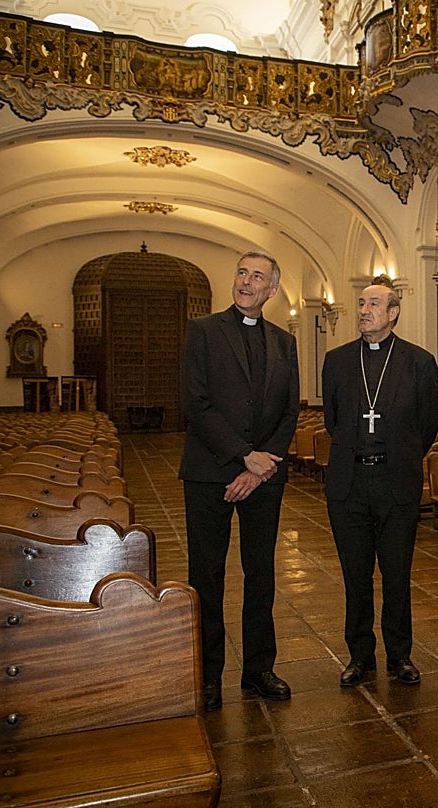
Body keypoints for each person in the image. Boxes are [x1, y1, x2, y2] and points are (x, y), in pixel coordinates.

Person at [179, 250, 300, 712]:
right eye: (242, 273)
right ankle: (208, 674)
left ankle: (259, 669)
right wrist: (243, 456)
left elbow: (289, 410)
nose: (247, 282)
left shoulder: (284, 342)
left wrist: (259, 466)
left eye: (257, 276)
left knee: (261, 572)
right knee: (207, 575)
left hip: (263, 475)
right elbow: (196, 402)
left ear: (272, 290)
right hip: (210, 471)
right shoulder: (203, 331)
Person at [323, 279, 438, 688]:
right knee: (355, 577)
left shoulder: (418, 362)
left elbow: (427, 426)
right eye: (361, 303)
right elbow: (333, 421)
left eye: (374, 303)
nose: (364, 310)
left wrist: (401, 457)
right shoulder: (337, 361)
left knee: (396, 575)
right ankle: (359, 656)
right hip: (349, 484)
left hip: (396, 484)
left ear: (393, 313)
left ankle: (399, 656)